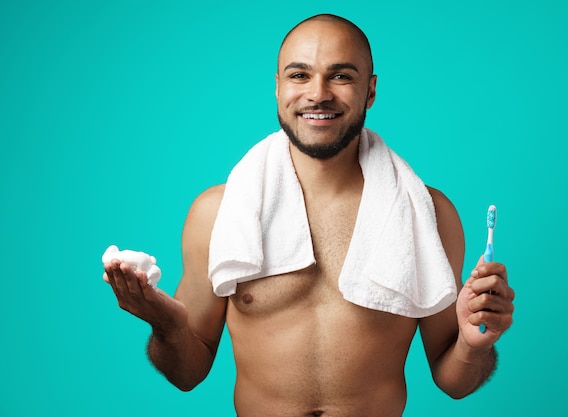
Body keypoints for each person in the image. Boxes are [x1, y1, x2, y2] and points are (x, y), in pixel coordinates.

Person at [103, 14, 515, 417]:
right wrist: (166, 324)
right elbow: (187, 372)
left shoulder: (427, 214)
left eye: (341, 76)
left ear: (370, 92)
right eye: (299, 75)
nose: (318, 94)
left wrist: (474, 344)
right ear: (278, 87)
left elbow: (454, 382)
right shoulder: (218, 213)